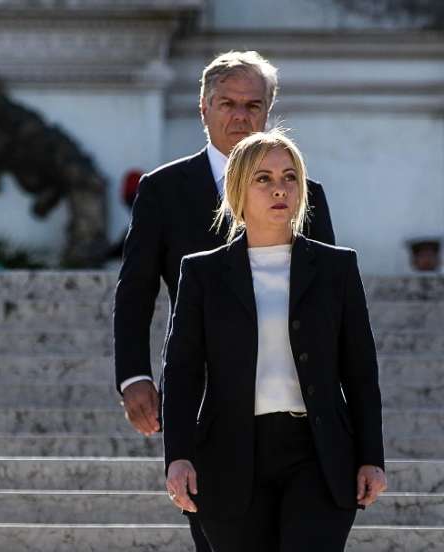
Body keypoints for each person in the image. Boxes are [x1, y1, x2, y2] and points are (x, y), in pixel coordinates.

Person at [113, 50, 335, 551]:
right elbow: (135, 290)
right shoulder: (164, 189)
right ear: (203, 108)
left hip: (297, 412)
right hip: (204, 401)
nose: (240, 116)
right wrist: (134, 376)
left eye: (253, 105)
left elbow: (330, 304)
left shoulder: (307, 194)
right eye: (227, 104)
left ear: (268, 111)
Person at [162, 130, 387, 552]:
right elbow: (181, 374)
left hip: (319, 455)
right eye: (263, 178)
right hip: (230, 456)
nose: (279, 188)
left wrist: (371, 456)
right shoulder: (203, 274)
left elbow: (360, 371)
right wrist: (177, 455)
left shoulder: (337, 268)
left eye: (290, 177)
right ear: (237, 189)